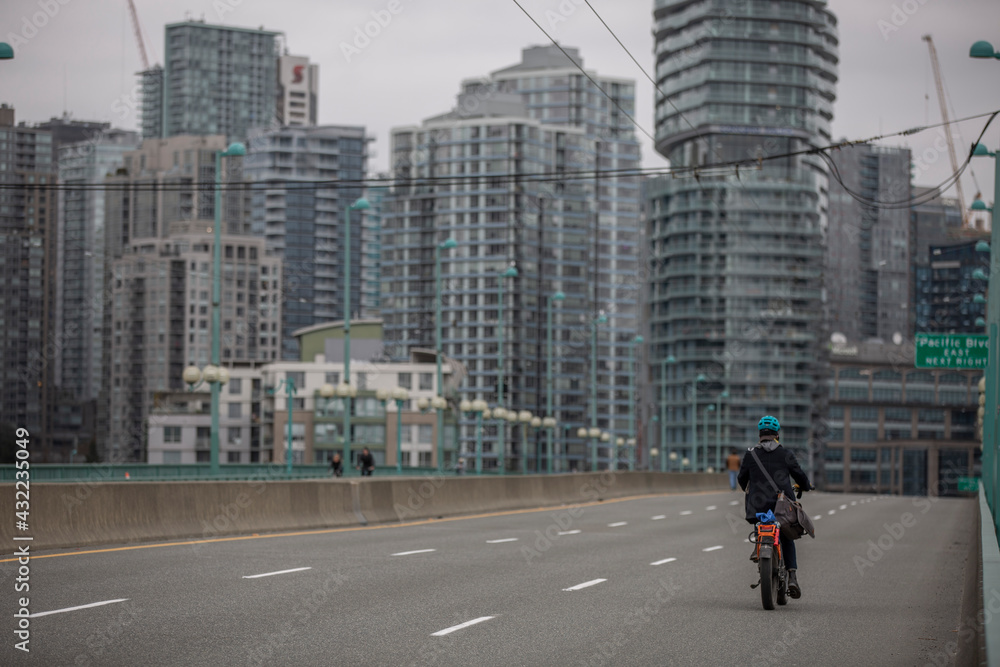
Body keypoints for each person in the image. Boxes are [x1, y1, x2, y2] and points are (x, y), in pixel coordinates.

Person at [737, 415, 810, 600]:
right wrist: (805, 486)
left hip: (758, 504)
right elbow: (799, 475)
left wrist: (750, 487)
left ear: (760, 434)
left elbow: (741, 479)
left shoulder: (751, 454)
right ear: (777, 434)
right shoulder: (785, 454)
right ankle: (792, 576)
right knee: (786, 538)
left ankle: (759, 546)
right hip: (782, 506)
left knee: (760, 516)